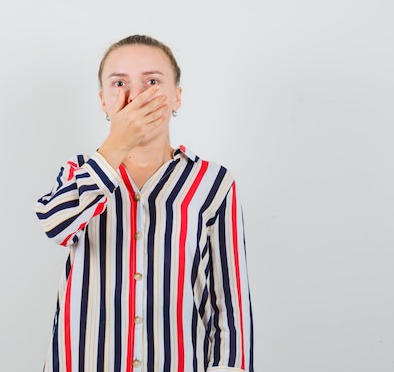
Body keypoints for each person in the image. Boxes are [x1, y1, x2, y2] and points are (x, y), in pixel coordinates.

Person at [35, 35, 254, 372]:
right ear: (103, 101)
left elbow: (228, 303)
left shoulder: (213, 183)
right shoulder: (77, 172)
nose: (135, 97)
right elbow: (56, 225)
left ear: (177, 97)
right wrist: (116, 146)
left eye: (152, 82)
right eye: (119, 83)